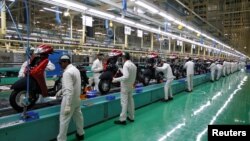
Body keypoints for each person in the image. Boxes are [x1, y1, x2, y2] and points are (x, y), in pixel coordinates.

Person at [57, 55, 84, 141]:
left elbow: (69, 90)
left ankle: (61, 139)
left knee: (64, 120)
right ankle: (81, 134)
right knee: (78, 117)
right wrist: (61, 90)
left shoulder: (67, 72)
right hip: (77, 98)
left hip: (69, 100)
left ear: (65, 62)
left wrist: (67, 105)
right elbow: (74, 84)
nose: (60, 65)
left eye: (61, 63)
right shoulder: (75, 70)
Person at [112, 52, 137, 125]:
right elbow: (129, 75)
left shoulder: (126, 65)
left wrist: (115, 79)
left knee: (124, 103)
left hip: (125, 86)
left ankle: (122, 119)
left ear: (124, 58)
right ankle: (131, 117)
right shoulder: (133, 65)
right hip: (130, 86)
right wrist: (121, 69)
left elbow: (126, 77)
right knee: (130, 102)